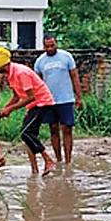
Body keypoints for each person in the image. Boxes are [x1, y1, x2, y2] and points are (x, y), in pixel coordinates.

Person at [0, 46, 57, 176]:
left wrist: (11, 109)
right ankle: (35, 169)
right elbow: (16, 96)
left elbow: (32, 96)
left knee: (26, 133)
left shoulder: (21, 73)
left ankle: (48, 160)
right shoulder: (10, 75)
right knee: (28, 136)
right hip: (33, 105)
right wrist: (5, 109)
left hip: (42, 103)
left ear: (4, 65)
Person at [34, 35, 83, 165]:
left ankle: (68, 160)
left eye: (52, 45)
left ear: (56, 44)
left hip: (66, 99)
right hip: (49, 101)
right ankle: (58, 159)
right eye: (47, 46)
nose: (50, 48)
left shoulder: (66, 57)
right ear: (43, 46)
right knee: (53, 128)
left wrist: (79, 97)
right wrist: (37, 101)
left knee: (67, 128)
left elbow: (74, 77)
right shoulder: (40, 62)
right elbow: (37, 83)